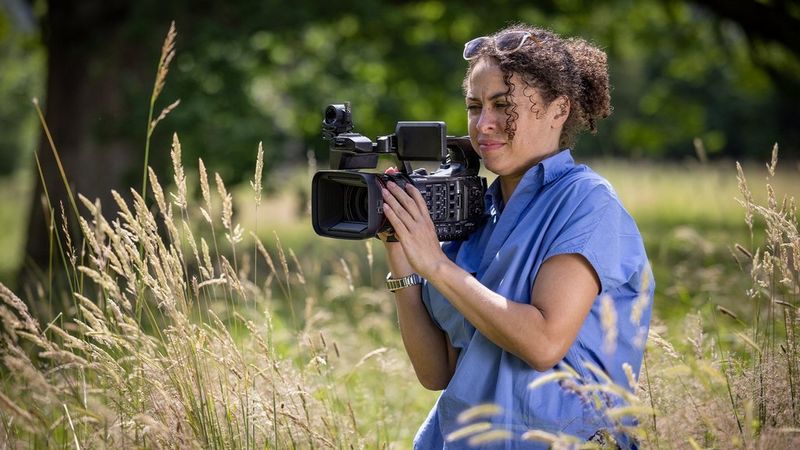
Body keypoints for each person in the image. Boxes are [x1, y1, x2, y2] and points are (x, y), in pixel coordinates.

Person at [379, 24, 654, 449]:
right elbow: (437, 372)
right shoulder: (474, 214)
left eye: (502, 105)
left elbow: (544, 342)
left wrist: (435, 265)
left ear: (558, 110)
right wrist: (401, 254)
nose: (484, 123)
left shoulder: (586, 202)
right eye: (474, 106)